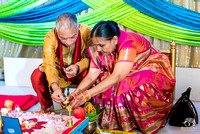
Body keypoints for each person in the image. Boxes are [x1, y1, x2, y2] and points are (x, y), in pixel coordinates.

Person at [67, 21, 176, 134]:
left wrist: (86, 95)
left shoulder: (128, 43)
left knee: (122, 82)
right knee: (102, 77)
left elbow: (118, 76)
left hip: (147, 67)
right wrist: (76, 93)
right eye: (95, 45)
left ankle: (134, 121)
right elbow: (91, 76)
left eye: (101, 45)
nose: (98, 49)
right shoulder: (99, 47)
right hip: (123, 70)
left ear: (114, 39)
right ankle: (115, 122)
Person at [31, 13, 92, 112]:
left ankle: (78, 106)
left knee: (90, 73)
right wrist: (55, 87)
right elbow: (49, 63)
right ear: (57, 31)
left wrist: (78, 67)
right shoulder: (50, 37)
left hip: (79, 71)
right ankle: (48, 109)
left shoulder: (87, 32)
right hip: (58, 72)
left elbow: (91, 58)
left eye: (73, 37)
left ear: (78, 28)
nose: (68, 42)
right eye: (63, 38)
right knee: (36, 75)